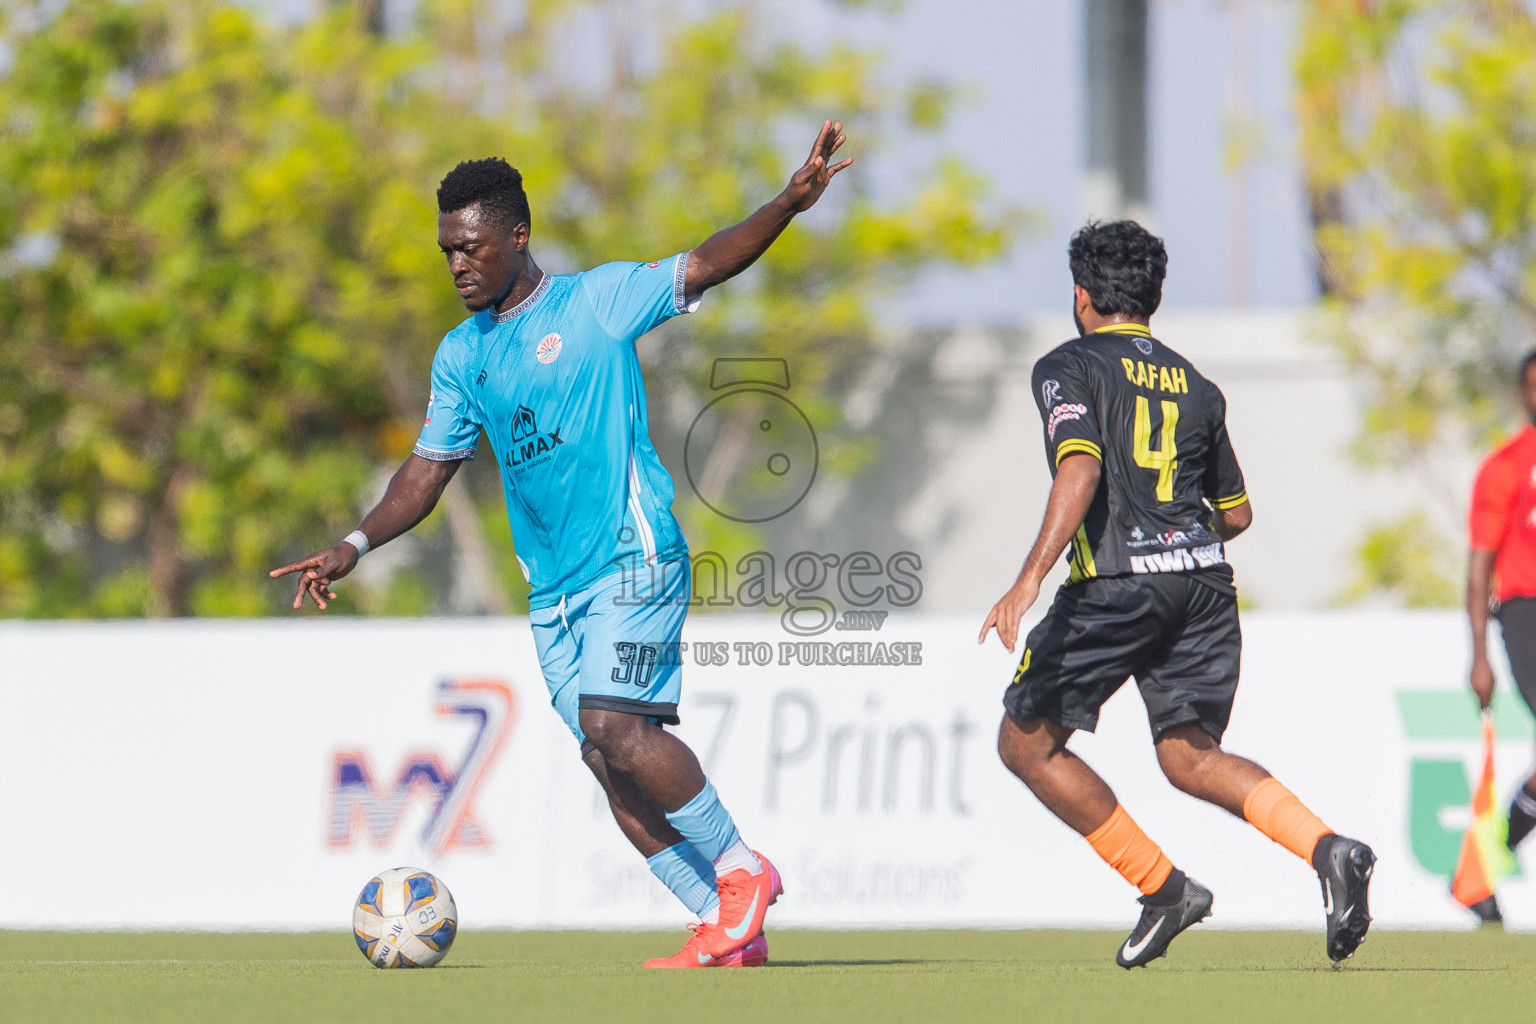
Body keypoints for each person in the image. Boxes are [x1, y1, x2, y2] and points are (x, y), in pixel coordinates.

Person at [271, 122, 852, 968]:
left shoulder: (596, 302)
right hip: (555, 592)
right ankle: (724, 924)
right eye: (446, 252)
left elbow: (707, 260)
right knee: (604, 756)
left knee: (615, 724)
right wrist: (354, 543)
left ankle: (739, 869)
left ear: (517, 236)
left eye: (470, 247)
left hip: (633, 554)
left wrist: (786, 206)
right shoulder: (461, 356)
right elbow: (427, 472)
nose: (458, 265)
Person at [978, 220, 1375, 967]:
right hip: (1203, 588)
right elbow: (1236, 514)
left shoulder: (1067, 366)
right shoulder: (1198, 385)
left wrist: (1027, 579)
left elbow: (1081, 470)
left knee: (1024, 745)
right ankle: (1329, 849)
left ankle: (1163, 888)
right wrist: (1176, 536)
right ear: (1152, 298)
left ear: (1081, 295)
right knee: (1189, 757)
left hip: (1118, 587)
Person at [1465, 350, 1536, 925]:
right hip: (1525, 613)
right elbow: (1479, 566)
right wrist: (1479, 656)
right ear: (1523, 394)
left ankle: (1481, 872)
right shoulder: (1505, 467)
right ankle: (1483, 868)